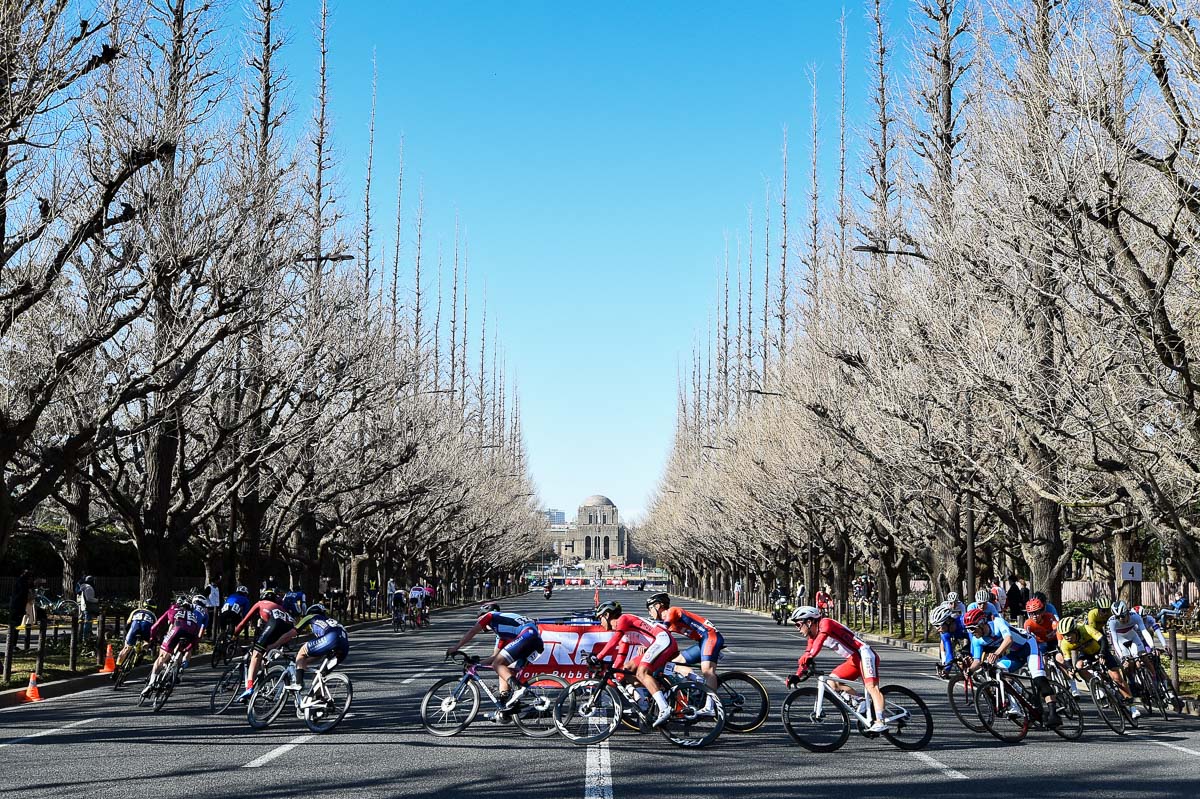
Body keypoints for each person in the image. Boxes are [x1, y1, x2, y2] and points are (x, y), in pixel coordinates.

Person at [787, 605, 889, 733]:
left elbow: (817, 645)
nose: (797, 629)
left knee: (871, 687)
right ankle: (861, 701)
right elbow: (806, 654)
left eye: (798, 625)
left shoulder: (826, 623)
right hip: (853, 659)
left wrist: (811, 656)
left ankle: (881, 721)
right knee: (832, 682)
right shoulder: (813, 636)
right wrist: (797, 675)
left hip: (864, 654)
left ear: (809, 621)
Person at [963, 606, 1059, 728]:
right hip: (1015, 654)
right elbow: (977, 660)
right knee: (996, 672)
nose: (972, 633)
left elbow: (1009, 639)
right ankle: (1023, 695)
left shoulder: (997, 623)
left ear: (982, 624)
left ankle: (1053, 713)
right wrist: (970, 670)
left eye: (973, 629)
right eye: (968, 630)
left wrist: (996, 654)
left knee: (1039, 679)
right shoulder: (977, 640)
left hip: (1029, 646)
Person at [589, 600, 678, 726]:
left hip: (663, 640)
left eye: (600, 618)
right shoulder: (624, 633)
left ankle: (664, 707)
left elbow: (614, 642)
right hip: (660, 643)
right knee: (627, 668)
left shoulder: (623, 619)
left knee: (642, 672)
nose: (600, 623)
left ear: (607, 615)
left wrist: (598, 657)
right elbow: (620, 658)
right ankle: (643, 703)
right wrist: (611, 675)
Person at [447, 602, 542, 709]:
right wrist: (476, 665)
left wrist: (455, 648)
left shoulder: (490, 616)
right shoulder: (502, 633)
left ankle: (518, 688)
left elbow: (472, 632)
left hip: (527, 635)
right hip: (535, 641)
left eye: (479, 619)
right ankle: (507, 704)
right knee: (503, 668)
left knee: (498, 664)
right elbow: (495, 656)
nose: (479, 622)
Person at [1055, 615, 1139, 719]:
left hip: (1101, 650)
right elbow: (1067, 660)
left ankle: (1133, 707)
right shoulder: (1065, 643)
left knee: (1117, 678)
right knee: (1078, 666)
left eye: (1069, 634)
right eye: (1064, 635)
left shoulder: (1085, 629)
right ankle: (1098, 686)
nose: (1067, 637)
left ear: (1075, 631)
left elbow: (1103, 639)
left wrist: (1102, 654)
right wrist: (1069, 669)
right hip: (1087, 654)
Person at [645, 591, 723, 691]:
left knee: (707, 671)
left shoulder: (672, 611)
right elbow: (661, 639)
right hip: (703, 641)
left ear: (658, 605)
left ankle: (711, 704)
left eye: (650, 608)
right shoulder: (668, 622)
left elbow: (663, 630)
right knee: (675, 663)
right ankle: (698, 684)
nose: (649, 612)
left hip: (711, 636)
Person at [234, 587, 298, 701]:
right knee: (266, 652)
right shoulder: (281, 608)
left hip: (275, 624)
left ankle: (249, 688)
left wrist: (234, 635)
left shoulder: (260, 603)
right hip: (289, 628)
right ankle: (264, 678)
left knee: (256, 654)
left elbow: (244, 622)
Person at [142, 595, 206, 696]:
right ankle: (177, 670)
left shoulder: (173, 609)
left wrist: (152, 639)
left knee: (162, 657)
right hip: (192, 633)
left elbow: (155, 626)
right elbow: (197, 638)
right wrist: (188, 648)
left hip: (177, 629)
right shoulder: (196, 615)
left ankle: (151, 684)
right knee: (181, 651)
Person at [291, 604, 349, 707]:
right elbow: (321, 652)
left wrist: (275, 644)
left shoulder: (312, 617)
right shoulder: (330, 622)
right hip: (344, 646)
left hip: (332, 638)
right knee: (320, 674)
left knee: (302, 652)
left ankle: (298, 684)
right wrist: (304, 661)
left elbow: (293, 632)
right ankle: (320, 702)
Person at [113, 598, 157, 677]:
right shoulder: (153, 615)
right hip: (146, 629)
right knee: (147, 642)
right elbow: (154, 628)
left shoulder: (136, 611)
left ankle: (116, 669)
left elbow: (128, 623)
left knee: (126, 648)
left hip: (135, 627)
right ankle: (143, 651)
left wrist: (128, 633)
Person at [931, 603, 969, 677]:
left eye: (939, 626)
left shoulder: (963, 623)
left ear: (947, 622)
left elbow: (976, 643)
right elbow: (949, 653)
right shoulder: (945, 633)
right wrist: (946, 670)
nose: (938, 630)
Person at [77, 575, 99, 641]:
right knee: (87, 623)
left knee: (85, 622)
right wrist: (97, 600)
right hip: (87, 607)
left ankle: (84, 636)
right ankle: (85, 638)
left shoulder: (83, 587)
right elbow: (89, 598)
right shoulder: (88, 588)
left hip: (83, 607)